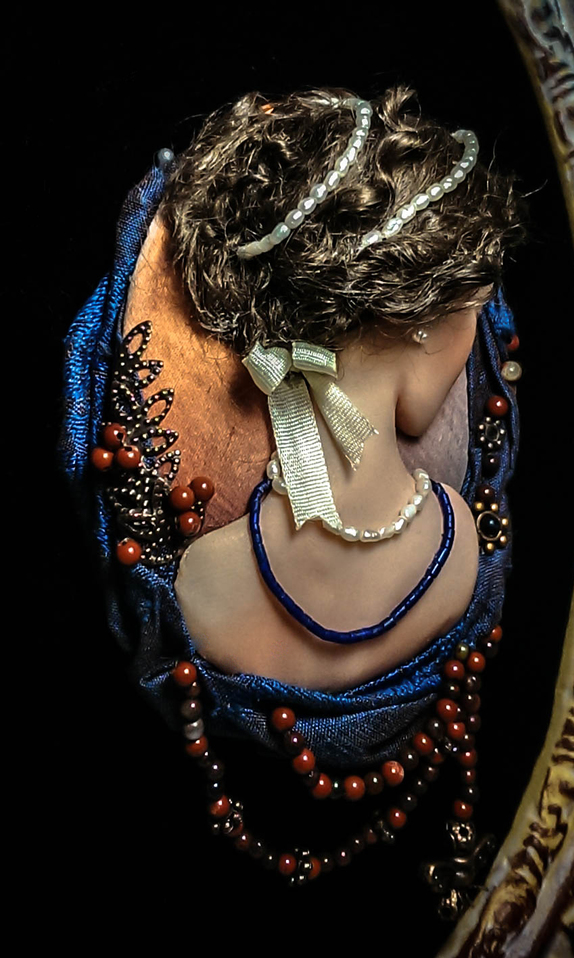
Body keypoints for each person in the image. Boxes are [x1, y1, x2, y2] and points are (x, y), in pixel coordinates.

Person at [61, 85, 524, 913]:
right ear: (423, 324)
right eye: (468, 316)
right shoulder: (457, 548)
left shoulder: (203, 579)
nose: (472, 345)